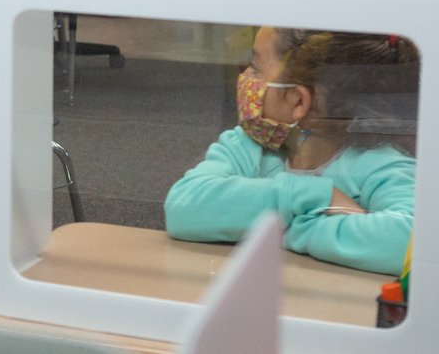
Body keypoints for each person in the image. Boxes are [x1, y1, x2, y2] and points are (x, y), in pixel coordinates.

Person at [164, 27, 417, 275]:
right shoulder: (249, 144)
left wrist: (281, 227)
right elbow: (183, 207)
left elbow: (409, 241)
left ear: (298, 101)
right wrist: (318, 196)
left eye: (256, 67)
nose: (246, 76)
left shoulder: (380, 163)